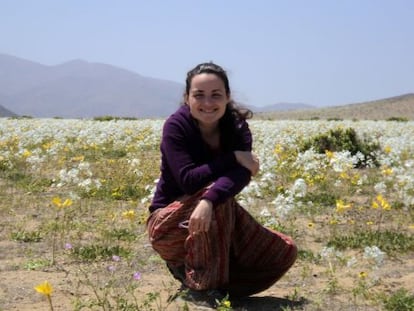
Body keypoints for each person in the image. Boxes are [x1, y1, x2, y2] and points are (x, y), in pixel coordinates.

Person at [147, 62, 297, 308]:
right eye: (199, 95)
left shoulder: (237, 127)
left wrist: (209, 199)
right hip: (168, 226)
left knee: (283, 252)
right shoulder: (176, 126)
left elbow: (241, 176)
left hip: (215, 215)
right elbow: (188, 179)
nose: (208, 103)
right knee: (218, 197)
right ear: (187, 98)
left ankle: (214, 284)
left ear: (227, 97)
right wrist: (233, 158)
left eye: (216, 95)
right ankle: (200, 289)